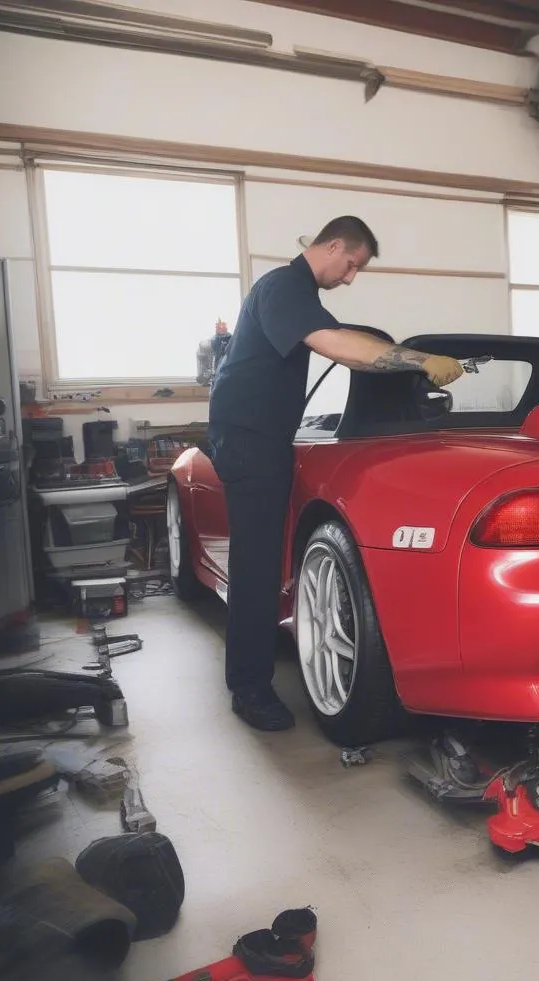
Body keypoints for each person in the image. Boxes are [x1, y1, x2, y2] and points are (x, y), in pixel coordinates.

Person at [206, 216, 463, 731]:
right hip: (249, 440)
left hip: (264, 438)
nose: (350, 278)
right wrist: (418, 359)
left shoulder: (297, 293)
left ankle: (251, 672)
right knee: (255, 565)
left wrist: (409, 363)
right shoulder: (282, 287)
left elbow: (347, 349)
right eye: (352, 265)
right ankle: (249, 689)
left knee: (259, 560)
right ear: (333, 245)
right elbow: (339, 346)